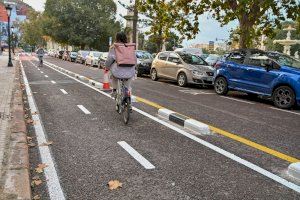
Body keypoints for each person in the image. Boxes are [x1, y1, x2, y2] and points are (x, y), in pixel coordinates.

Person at [104, 32, 136, 98]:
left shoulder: (114, 47)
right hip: (130, 70)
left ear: (116, 38)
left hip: (117, 70)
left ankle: (115, 90)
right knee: (127, 84)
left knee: (113, 74)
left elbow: (109, 60)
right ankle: (127, 92)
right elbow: (135, 59)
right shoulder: (130, 47)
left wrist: (107, 67)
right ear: (125, 38)